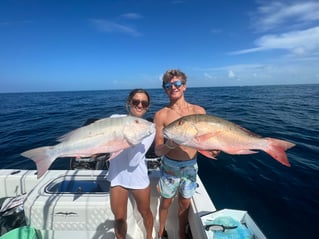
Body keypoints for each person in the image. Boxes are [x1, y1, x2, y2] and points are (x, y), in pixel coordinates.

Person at [154, 69, 218, 239]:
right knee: (166, 201)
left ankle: (182, 233)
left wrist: (214, 149)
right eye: (168, 85)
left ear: (184, 86)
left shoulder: (199, 111)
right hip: (170, 166)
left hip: (191, 165)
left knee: (185, 202)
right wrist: (169, 145)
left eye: (177, 84)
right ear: (165, 89)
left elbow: (206, 141)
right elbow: (157, 150)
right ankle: (161, 231)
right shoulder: (161, 115)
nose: (173, 87)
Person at [107, 89, 155, 239]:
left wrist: (134, 138)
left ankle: (149, 236)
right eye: (136, 101)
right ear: (129, 103)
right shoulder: (116, 118)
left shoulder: (149, 128)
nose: (139, 105)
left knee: (145, 211)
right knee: (119, 218)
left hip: (137, 176)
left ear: (147, 107)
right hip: (117, 176)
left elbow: (133, 161)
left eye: (144, 103)